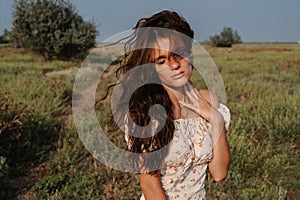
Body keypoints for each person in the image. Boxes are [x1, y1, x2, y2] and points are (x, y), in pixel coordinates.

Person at [114, 10, 231, 200]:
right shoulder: (145, 111)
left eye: (178, 54)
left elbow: (219, 173)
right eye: (162, 60)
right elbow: (149, 184)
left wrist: (216, 119)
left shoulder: (209, 100)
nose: (174, 65)